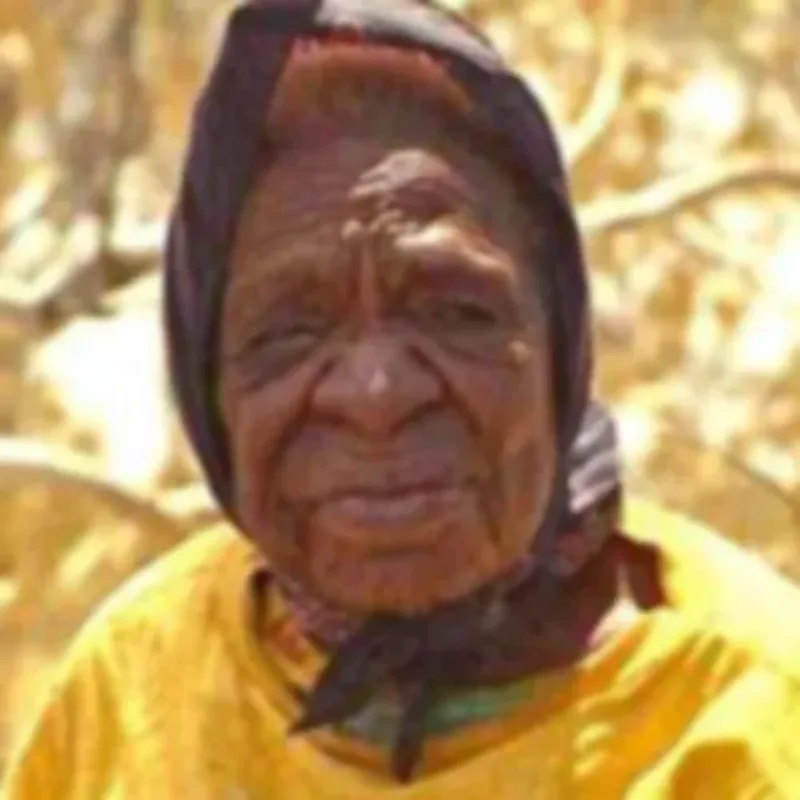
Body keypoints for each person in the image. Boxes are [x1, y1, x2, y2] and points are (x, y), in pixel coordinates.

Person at [3, 1, 800, 797]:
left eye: (457, 311)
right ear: (208, 389)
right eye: (288, 332)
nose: (377, 395)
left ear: (562, 347)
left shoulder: (751, 716)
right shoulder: (137, 684)